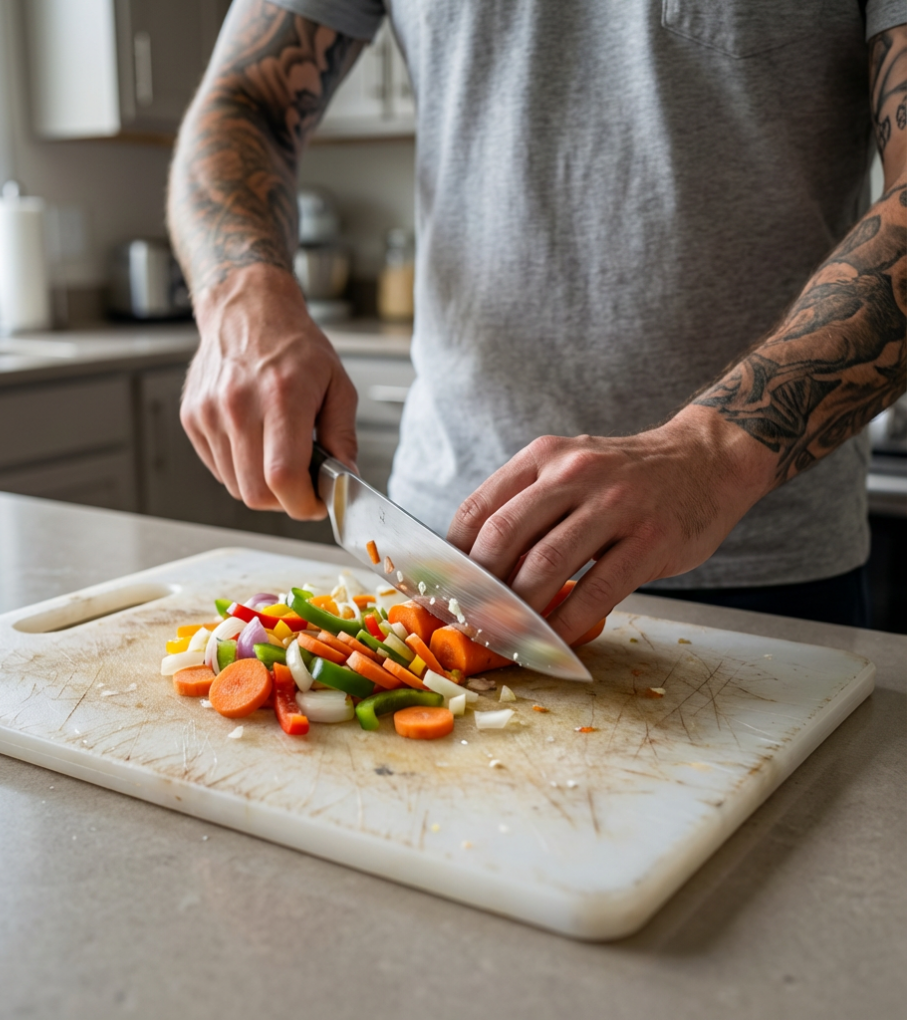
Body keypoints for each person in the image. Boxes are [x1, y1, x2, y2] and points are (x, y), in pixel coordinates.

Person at [168, 1, 906, 641]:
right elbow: (243, 101)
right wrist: (241, 296)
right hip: (446, 559)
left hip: (767, 567)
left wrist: (710, 453)